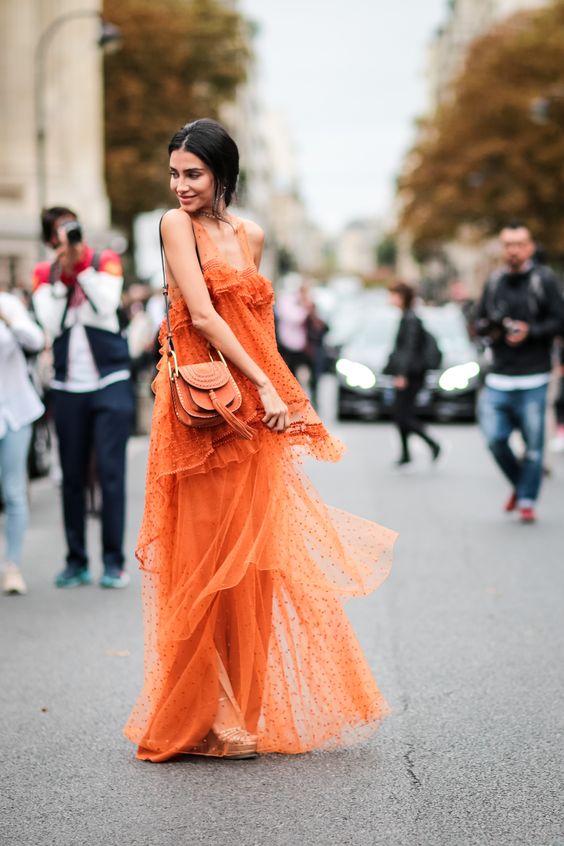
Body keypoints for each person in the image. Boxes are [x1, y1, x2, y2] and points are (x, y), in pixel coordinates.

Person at [124, 118, 397, 762]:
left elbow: (259, 328)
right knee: (201, 563)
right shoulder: (174, 226)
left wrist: (284, 397)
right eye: (175, 174)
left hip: (255, 416)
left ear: (223, 173)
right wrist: (267, 387)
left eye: (193, 173)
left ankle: (235, 711)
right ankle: (203, 710)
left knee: (252, 568)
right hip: (202, 416)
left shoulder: (251, 234)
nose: (182, 185)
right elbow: (203, 316)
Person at [32, 207, 134, 588]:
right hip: (67, 385)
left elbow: (107, 307)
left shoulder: (105, 261)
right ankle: (76, 560)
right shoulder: (45, 274)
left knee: (111, 474)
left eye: (71, 230)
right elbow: (51, 321)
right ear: (48, 241)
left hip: (111, 380)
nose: (68, 240)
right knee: (72, 476)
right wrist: (63, 276)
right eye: (59, 234)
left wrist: (83, 270)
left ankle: (113, 562)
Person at [474, 222, 564, 522]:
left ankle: (526, 500)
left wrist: (531, 331)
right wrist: (495, 330)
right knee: (495, 440)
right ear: (502, 248)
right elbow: (479, 321)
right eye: (508, 244)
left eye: (519, 244)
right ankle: (521, 484)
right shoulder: (494, 281)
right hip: (499, 376)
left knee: (534, 449)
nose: (513, 249)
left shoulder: (544, 280)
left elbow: (559, 322)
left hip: (534, 377)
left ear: (529, 247)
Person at [0, 289, 45, 594]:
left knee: (14, 491)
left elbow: (35, 340)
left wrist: (9, 318)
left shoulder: (8, 303)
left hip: (13, 411)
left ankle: (12, 567)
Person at [385, 281, 441, 466]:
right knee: (400, 414)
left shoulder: (410, 320)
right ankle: (406, 453)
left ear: (401, 297)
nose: (390, 298)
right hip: (410, 374)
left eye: (392, 294)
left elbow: (408, 350)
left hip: (412, 375)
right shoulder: (407, 317)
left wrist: (402, 375)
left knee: (402, 415)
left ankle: (432, 444)